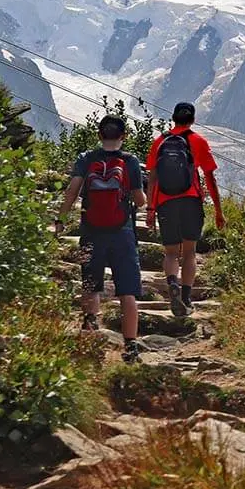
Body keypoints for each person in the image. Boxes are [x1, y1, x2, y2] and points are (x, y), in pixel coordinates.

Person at [57, 115, 146, 364]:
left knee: (91, 284)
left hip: (90, 230)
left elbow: (72, 191)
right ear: (123, 136)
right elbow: (139, 200)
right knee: (127, 292)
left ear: (99, 134)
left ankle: (89, 338)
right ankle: (130, 347)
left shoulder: (86, 159)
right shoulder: (130, 162)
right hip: (123, 232)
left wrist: (60, 220)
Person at [146, 102, 225, 317]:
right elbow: (210, 177)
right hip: (191, 201)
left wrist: (151, 208)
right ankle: (187, 297)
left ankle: (173, 283)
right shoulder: (198, 141)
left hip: (165, 202)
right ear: (192, 119)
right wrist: (218, 210)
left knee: (171, 252)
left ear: (173, 118)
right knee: (189, 251)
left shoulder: (160, 142)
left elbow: (152, 177)